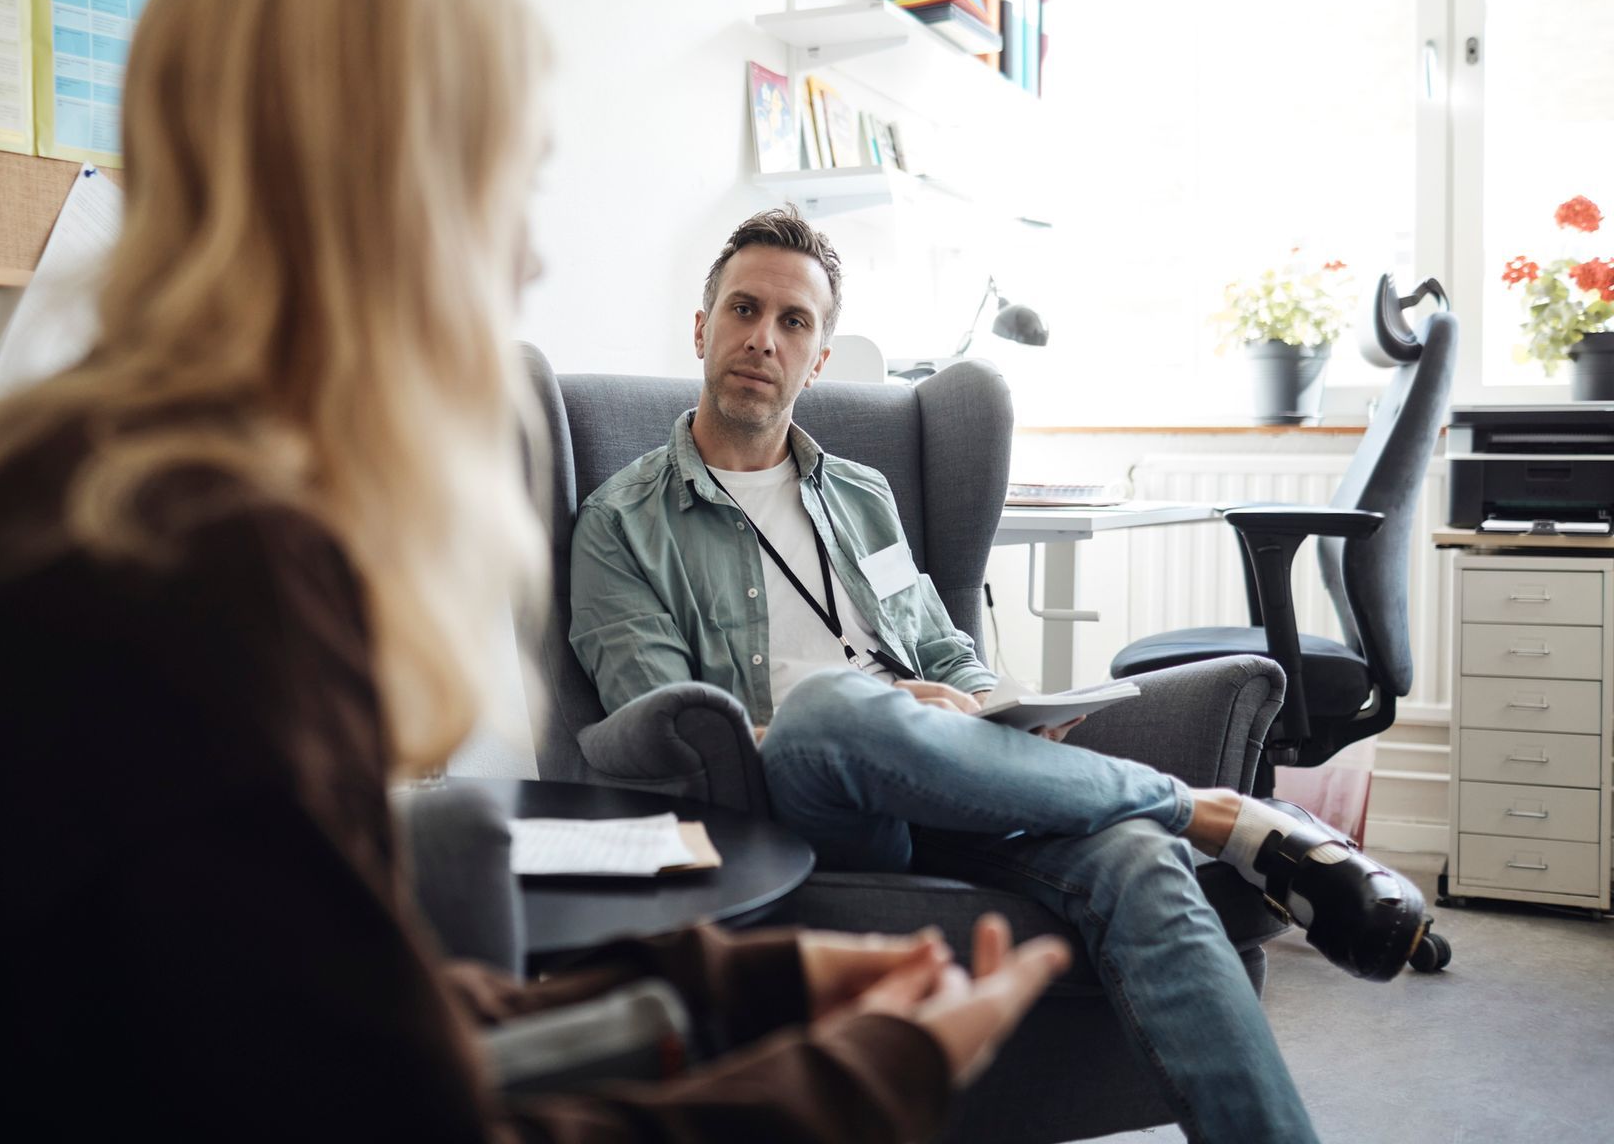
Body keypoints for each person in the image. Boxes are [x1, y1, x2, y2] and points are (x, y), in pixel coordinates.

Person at [0, 0, 1072, 1142]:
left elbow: (349, 1043)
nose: (527, 255)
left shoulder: (99, 503)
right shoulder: (176, 594)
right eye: (508, 188)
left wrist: (746, 991)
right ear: (391, 203)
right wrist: (866, 1078)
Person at [568, 206, 1433, 1144]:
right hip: (816, 803)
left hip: (957, 781)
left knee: (1135, 860)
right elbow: (674, 734)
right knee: (827, 709)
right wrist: (887, 709)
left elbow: (946, 651)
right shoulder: (621, 524)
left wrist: (991, 705)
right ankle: (1220, 814)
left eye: (794, 322)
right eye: (742, 310)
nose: (761, 340)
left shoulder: (860, 495)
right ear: (702, 329)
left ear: (818, 357)